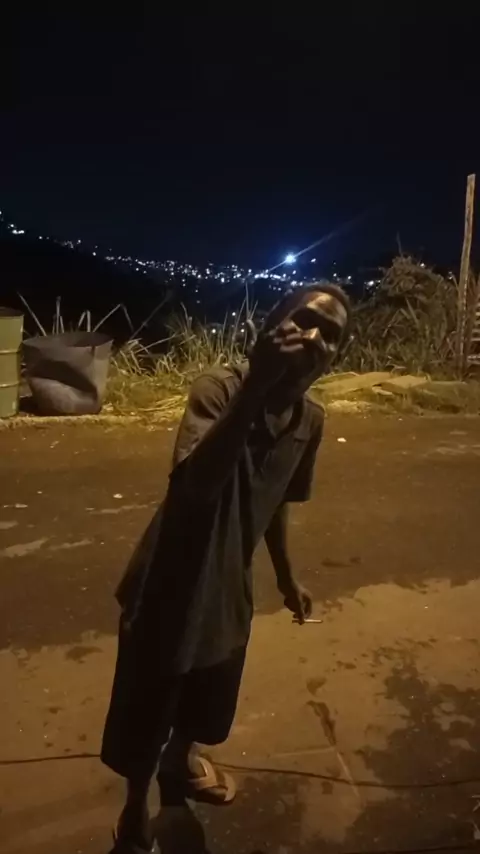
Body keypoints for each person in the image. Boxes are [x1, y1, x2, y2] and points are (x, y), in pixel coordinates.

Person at [102, 283, 351, 853]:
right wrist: (258, 385)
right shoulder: (219, 389)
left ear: (336, 356)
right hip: (168, 584)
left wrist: (286, 576)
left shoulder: (310, 421)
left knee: (209, 697)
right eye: (304, 320)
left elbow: (277, 500)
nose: (314, 336)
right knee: (147, 705)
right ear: (271, 326)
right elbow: (195, 488)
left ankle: (180, 761)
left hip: (229, 590)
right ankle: (136, 802)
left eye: (331, 334)